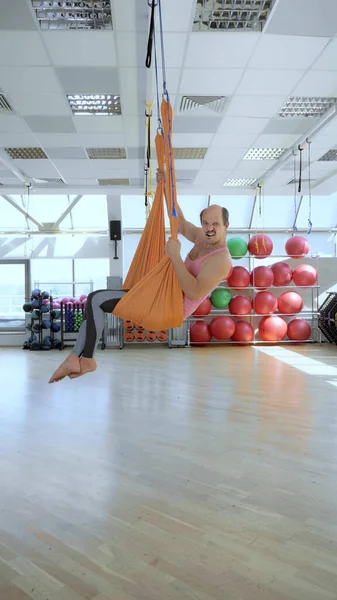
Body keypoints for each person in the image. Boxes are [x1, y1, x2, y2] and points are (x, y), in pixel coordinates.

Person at [48, 169, 232, 383]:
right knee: (93, 300)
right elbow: (180, 223)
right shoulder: (202, 239)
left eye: (215, 224)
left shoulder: (221, 260)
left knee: (97, 300)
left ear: (226, 226)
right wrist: (166, 188)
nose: (209, 229)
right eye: (206, 223)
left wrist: (174, 257)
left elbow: (193, 292)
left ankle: (86, 359)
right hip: (159, 296)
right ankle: (75, 358)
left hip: (169, 308)